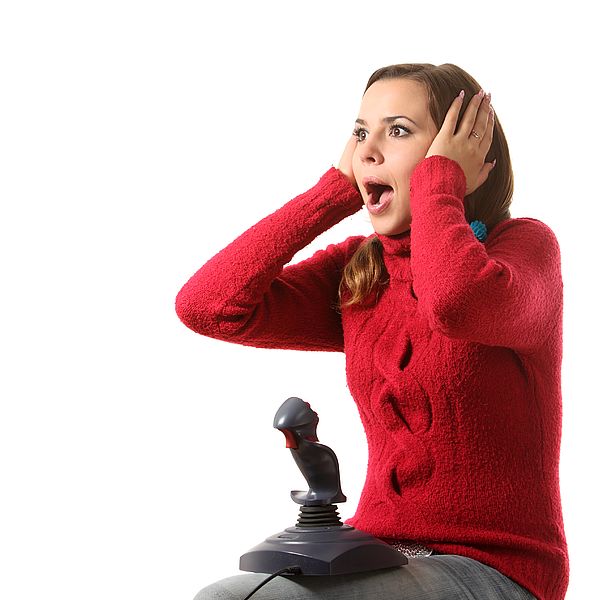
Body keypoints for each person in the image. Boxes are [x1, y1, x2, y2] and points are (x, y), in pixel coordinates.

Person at [175, 63, 568, 600]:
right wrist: (333, 192)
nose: (368, 150)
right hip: (375, 554)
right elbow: (208, 307)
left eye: (398, 130)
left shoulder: (523, 251)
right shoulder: (362, 270)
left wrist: (438, 183)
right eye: (361, 133)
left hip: (497, 569)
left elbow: (455, 302)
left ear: (470, 156)